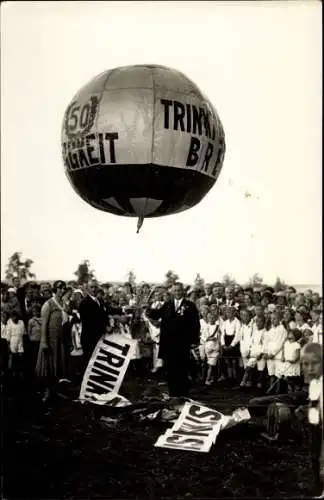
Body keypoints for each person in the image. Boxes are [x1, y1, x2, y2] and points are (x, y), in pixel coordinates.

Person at [146, 282, 200, 398]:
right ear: (172, 292)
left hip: (182, 343)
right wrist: (148, 310)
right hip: (169, 343)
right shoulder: (168, 304)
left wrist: (193, 340)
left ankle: (183, 394)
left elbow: (195, 324)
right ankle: (173, 394)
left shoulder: (190, 305)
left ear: (183, 291)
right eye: (175, 290)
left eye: (179, 290)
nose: (177, 293)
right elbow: (156, 315)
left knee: (182, 368)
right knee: (170, 369)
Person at [36, 280, 70, 402]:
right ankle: (47, 391)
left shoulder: (64, 304)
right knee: (48, 366)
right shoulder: (48, 304)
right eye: (60, 288)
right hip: (50, 340)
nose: (62, 291)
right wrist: (44, 342)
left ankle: (55, 390)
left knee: (58, 365)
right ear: (54, 290)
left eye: (63, 289)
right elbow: (44, 325)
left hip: (60, 340)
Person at [262, 310, 287, 394]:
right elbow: (266, 341)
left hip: (277, 354)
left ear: (279, 319)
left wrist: (273, 354)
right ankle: (271, 388)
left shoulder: (282, 330)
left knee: (278, 373)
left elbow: (280, 343)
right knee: (271, 373)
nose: (272, 320)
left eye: (275, 319)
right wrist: (265, 352)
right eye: (271, 319)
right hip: (269, 354)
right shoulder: (270, 330)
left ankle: (277, 390)